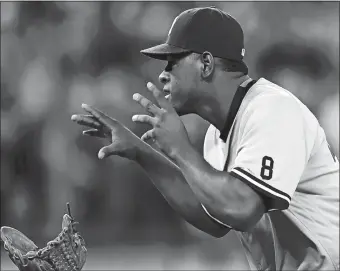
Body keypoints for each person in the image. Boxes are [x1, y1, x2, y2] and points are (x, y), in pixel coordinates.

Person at [71, 6, 339, 271]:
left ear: (206, 64)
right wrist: (140, 152)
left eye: (173, 62)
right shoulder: (217, 133)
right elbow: (212, 215)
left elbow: (242, 208)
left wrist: (180, 149)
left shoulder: (271, 109)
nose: (163, 73)